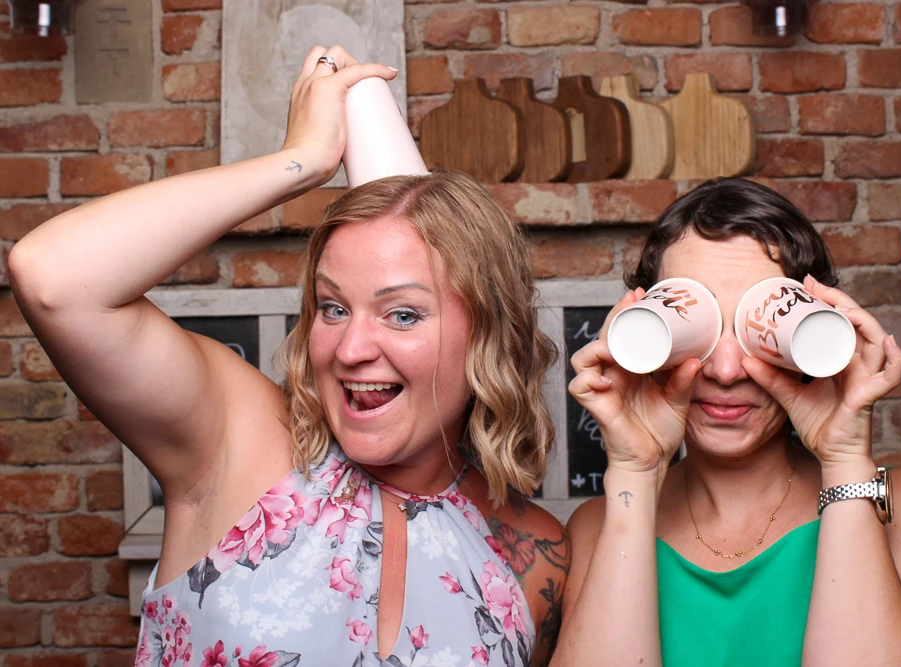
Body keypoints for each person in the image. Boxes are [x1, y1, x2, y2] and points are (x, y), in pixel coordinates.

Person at [9, 46, 569, 667]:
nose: (351, 350)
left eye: (403, 314)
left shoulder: (536, 554)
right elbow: (53, 278)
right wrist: (301, 162)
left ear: (489, 331)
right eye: (333, 308)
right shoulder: (239, 441)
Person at [551, 178, 901, 667]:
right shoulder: (598, 527)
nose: (726, 370)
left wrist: (844, 462)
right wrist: (635, 475)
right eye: (697, 326)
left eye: (760, 328)